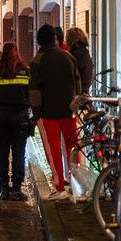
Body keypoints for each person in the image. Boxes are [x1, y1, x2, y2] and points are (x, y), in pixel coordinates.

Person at [30, 24, 81, 200]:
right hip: (69, 111)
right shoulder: (68, 56)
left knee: (53, 151)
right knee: (72, 147)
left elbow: (35, 91)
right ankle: (76, 183)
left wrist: (36, 114)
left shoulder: (38, 61)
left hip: (48, 113)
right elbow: (77, 82)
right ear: (55, 39)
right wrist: (75, 104)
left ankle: (59, 186)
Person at [0, 42, 31, 201]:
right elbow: (30, 93)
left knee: (0, 153)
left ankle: (3, 187)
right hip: (19, 117)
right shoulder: (25, 70)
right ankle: (17, 188)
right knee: (19, 154)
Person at [66, 27, 93, 94]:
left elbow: (70, 76)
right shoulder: (85, 53)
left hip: (76, 96)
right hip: (85, 93)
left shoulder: (75, 55)